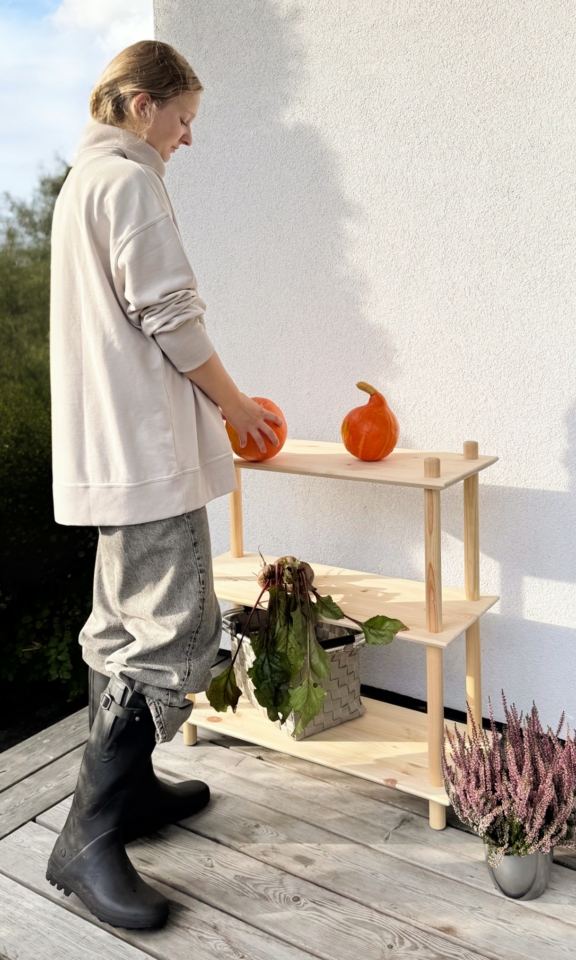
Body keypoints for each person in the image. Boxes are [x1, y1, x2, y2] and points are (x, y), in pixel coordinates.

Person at [46, 40, 282, 930]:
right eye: (184, 118)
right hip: (149, 454)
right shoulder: (128, 180)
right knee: (172, 634)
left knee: (119, 628)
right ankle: (88, 840)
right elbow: (169, 312)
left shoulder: (82, 186)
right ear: (141, 104)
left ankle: (131, 793)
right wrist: (238, 408)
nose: (188, 137)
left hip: (113, 451)